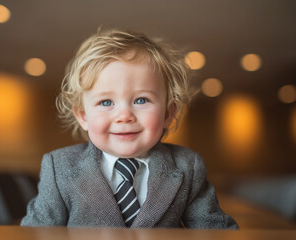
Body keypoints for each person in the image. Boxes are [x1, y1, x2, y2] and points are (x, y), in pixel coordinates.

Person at [21, 28, 238, 229]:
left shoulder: (187, 166)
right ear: (83, 116)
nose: (124, 116)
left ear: (168, 113)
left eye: (141, 100)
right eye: (106, 102)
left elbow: (215, 231)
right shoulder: (59, 167)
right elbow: (36, 232)